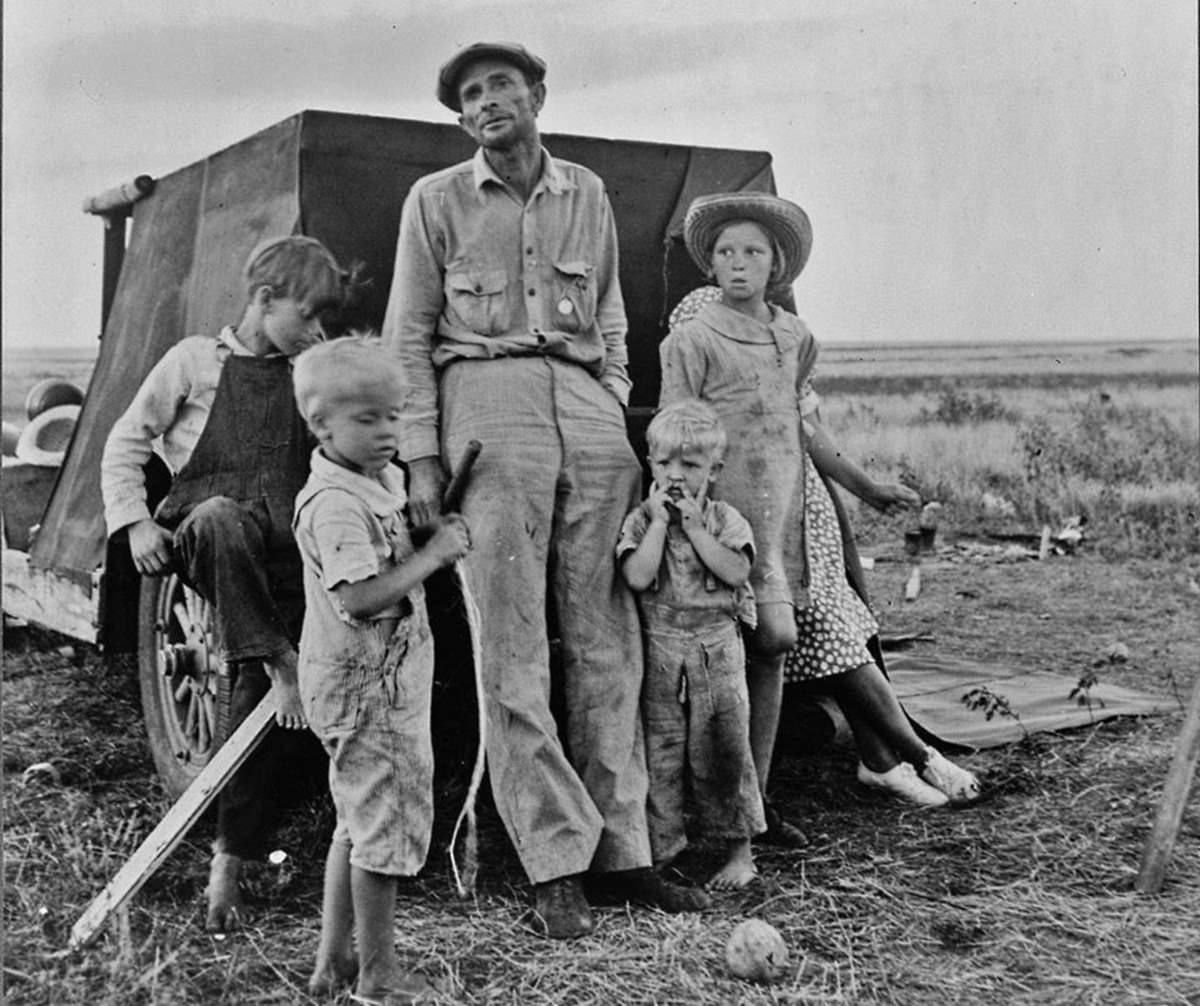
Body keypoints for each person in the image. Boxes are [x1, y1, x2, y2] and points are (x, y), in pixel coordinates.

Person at [381, 41, 708, 938]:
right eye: (471, 95)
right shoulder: (435, 201)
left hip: (585, 406)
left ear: (536, 95)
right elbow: (407, 334)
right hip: (485, 403)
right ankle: (553, 860)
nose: (489, 103)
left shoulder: (586, 192)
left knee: (609, 636)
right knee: (512, 638)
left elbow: (608, 307)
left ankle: (626, 855)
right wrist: (420, 458)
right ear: (460, 118)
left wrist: (607, 397)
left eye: (503, 87)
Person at [660, 193, 981, 812]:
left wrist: (866, 488)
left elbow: (805, 427)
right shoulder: (697, 317)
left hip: (798, 507)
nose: (739, 262)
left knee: (822, 632)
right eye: (726, 251)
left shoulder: (793, 334)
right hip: (737, 502)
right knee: (782, 638)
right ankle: (903, 759)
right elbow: (688, 422)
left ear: (777, 262)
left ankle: (883, 761)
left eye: (754, 251)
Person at [101, 235, 350, 930]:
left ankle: (230, 863)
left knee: (254, 700)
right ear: (264, 300)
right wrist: (134, 526)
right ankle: (279, 659)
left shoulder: (307, 372)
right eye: (307, 316)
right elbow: (125, 441)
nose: (317, 332)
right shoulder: (192, 362)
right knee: (220, 519)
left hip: (283, 560)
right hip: (208, 540)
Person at [291, 337, 470, 1003]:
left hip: (373, 681)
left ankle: (332, 961)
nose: (386, 432)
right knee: (383, 831)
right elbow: (361, 597)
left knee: (355, 821)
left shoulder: (373, 481)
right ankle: (379, 976)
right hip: (368, 690)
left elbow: (382, 557)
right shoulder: (336, 503)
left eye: (394, 415)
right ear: (320, 424)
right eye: (367, 420)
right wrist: (436, 557)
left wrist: (422, 540)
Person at [618, 400, 765, 890]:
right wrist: (660, 524)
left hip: (716, 648)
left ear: (714, 471)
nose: (675, 475)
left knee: (724, 747)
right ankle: (665, 850)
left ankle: (739, 850)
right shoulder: (641, 522)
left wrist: (696, 529)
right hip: (660, 648)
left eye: (690, 464)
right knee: (661, 750)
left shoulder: (725, 520)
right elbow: (638, 577)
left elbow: (737, 571)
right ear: (650, 465)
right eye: (664, 463)